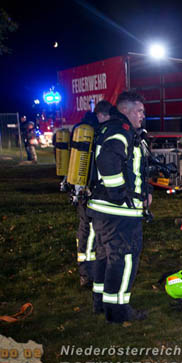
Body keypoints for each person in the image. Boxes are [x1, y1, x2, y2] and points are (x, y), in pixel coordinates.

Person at [87, 92, 151, 323]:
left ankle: (101, 304)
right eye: (139, 111)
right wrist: (119, 195)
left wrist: (145, 192)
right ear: (125, 110)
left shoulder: (108, 129)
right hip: (118, 212)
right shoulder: (121, 131)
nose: (143, 115)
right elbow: (107, 162)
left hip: (101, 210)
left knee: (105, 257)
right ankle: (118, 311)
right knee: (124, 260)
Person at [72, 100, 112, 289]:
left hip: (86, 192)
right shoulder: (93, 133)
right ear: (101, 115)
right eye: (108, 117)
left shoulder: (84, 131)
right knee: (88, 234)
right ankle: (86, 274)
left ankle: (90, 272)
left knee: (90, 233)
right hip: (88, 193)